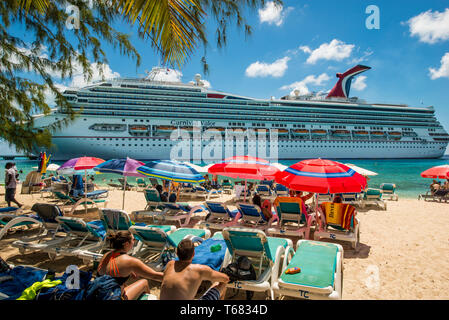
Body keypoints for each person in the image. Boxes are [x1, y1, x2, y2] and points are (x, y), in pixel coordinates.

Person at [97, 231, 163, 300]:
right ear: (126, 244)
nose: (134, 242)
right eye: (133, 239)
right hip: (112, 298)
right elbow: (155, 276)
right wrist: (173, 277)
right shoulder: (130, 261)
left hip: (96, 295)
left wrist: (129, 271)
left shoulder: (106, 255)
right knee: (144, 283)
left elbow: (110, 274)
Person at [160, 239, 229, 300]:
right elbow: (225, 278)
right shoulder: (199, 269)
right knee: (220, 283)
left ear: (177, 253)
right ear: (193, 254)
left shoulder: (170, 264)